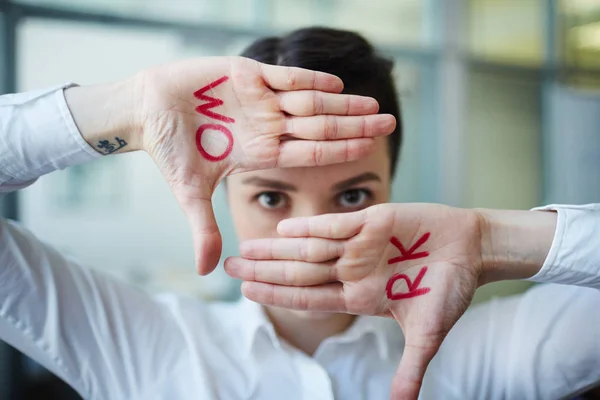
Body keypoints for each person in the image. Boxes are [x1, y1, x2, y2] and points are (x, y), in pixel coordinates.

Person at [0, 27, 598, 400]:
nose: (315, 238)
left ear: (393, 182)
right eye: (270, 197)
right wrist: (124, 108)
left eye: (354, 196)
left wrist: (493, 238)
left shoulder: (485, 353)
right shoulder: (146, 345)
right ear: (222, 190)